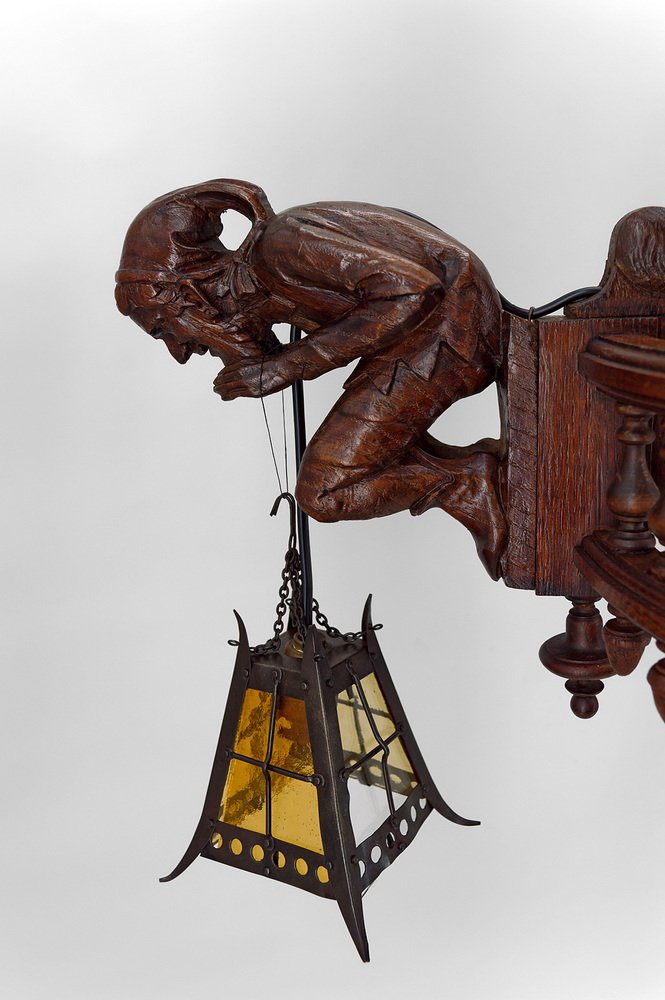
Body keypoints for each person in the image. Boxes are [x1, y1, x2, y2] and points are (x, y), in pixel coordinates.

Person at [116, 179, 506, 578]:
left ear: (190, 293)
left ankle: (464, 483)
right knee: (359, 463)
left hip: (453, 329)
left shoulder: (279, 248)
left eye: (163, 329)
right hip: (428, 332)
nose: (180, 352)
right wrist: (268, 358)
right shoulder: (263, 280)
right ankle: (462, 471)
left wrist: (283, 367)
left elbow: (412, 291)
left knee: (324, 491)